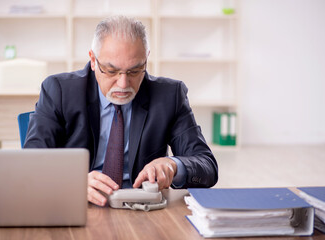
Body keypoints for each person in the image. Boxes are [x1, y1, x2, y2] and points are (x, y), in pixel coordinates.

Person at [24, 15, 218, 207]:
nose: (123, 84)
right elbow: (31, 163)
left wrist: (174, 165)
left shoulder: (169, 96)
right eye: (111, 70)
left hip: (142, 209)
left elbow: (207, 166)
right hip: (78, 204)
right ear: (93, 60)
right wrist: (72, 182)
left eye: (134, 71)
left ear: (146, 59)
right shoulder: (59, 91)